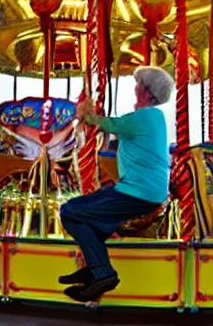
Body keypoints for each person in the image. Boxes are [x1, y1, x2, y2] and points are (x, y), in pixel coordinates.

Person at [58, 66, 174, 303]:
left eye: (140, 85)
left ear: (147, 93)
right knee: (94, 221)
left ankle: (103, 273)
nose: (135, 88)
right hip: (146, 189)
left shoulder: (142, 118)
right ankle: (95, 266)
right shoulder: (155, 118)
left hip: (137, 191)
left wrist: (84, 111)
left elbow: (103, 123)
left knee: (70, 211)